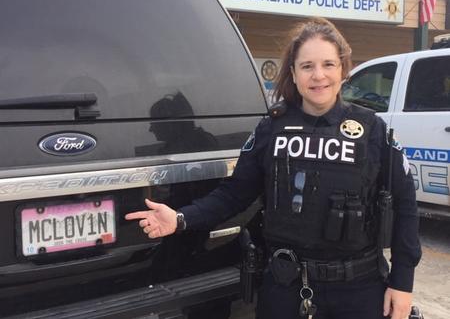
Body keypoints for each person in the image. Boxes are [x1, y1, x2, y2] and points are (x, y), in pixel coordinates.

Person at [125, 17, 421, 319]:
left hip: (358, 290)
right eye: (307, 66)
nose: (318, 75)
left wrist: (402, 282)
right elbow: (234, 195)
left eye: (328, 64)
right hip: (285, 287)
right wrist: (181, 217)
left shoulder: (372, 130)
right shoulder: (272, 129)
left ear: (344, 69)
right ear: (293, 73)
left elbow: (406, 205)